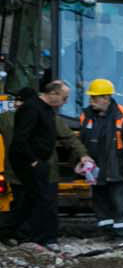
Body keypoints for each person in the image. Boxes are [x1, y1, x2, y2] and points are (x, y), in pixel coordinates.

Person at [5, 79, 82, 246]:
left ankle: (35, 238)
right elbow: (20, 139)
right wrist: (33, 161)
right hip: (32, 164)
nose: (65, 101)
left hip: (41, 163)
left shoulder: (47, 111)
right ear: (53, 93)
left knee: (38, 201)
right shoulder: (31, 108)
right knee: (36, 201)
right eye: (64, 97)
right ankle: (23, 235)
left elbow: (63, 136)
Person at [79, 79, 123, 245]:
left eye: (94, 98)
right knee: (101, 203)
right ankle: (107, 233)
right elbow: (82, 141)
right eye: (91, 98)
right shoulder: (86, 116)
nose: (91, 101)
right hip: (97, 169)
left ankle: (122, 237)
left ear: (106, 98)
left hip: (117, 169)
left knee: (121, 203)